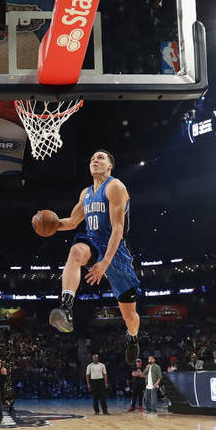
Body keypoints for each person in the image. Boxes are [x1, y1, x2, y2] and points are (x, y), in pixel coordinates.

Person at [45, 150, 141, 364]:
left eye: (100, 158)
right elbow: (71, 221)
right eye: (91, 159)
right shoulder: (85, 193)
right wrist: (50, 224)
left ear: (110, 166)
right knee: (76, 251)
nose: (95, 160)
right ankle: (66, 308)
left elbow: (118, 228)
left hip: (116, 252)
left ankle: (133, 338)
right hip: (93, 242)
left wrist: (104, 263)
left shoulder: (116, 187)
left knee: (130, 317)